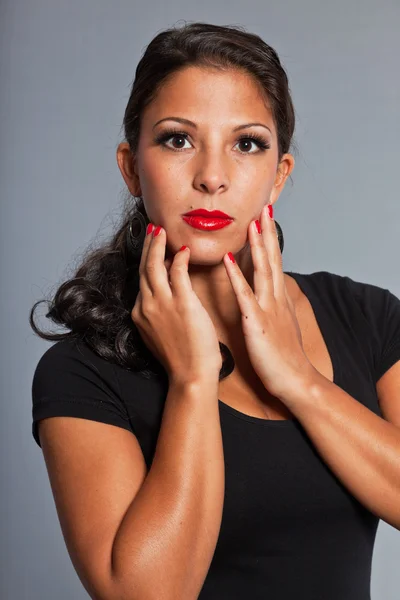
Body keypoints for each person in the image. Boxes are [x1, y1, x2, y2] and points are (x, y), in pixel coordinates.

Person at [30, 22, 400, 600]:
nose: (211, 176)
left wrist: (299, 381)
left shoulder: (366, 316)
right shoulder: (82, 372)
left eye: (246, 143)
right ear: (131, 168)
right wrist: (192, 380)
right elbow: (149, 594)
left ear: (279, 176)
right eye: (178, 139)